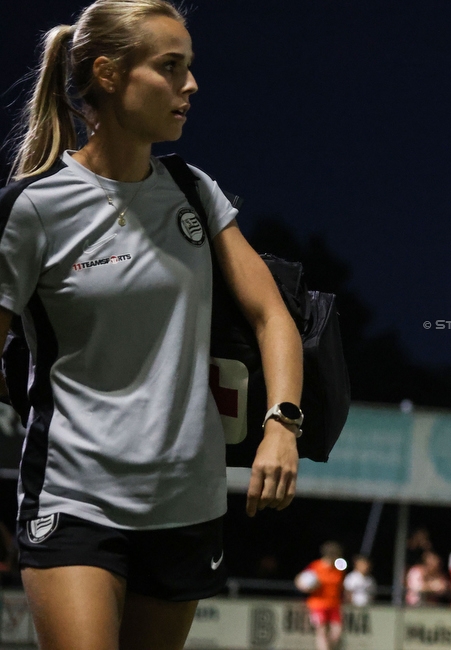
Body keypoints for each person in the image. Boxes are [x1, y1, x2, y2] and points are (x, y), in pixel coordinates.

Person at [0, 2, 303, 648]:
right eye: (170, 68)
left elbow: (271, 314)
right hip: (75, 499)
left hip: (187, 508)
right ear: (108, 75)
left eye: (189, 68)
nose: (190, 86)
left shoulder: (194, 192)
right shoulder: (34, 208)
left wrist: (282, 421)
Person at [296, 542, 345, 650]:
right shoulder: (315, 566)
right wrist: (304, 587)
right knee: (321, 631)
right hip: (318, 604)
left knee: (337, 633)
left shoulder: (339, 569)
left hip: (334, 605)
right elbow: (300, 580)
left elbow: (341, 587)